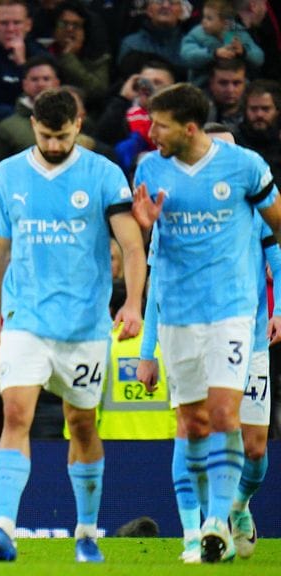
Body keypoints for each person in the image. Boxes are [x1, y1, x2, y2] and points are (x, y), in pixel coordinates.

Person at [0, 88, 146, 563]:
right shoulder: (9, 174)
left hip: (84, 326)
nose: (54, 144)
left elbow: (132, 246)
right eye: (46, 136)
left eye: (63, 135)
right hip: (25, 320)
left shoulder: (103, 174)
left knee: (82, 425)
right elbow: (1, 250)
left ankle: (87, 532)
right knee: (16, 416)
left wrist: (133, 302)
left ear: (79, 124)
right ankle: (4, 528)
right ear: (33, 125)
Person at [131, 83, 281, 563]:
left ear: (189, 128)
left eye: (160, 125)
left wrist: (277, 306)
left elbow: (278, 227)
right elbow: (153, 264)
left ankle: (219, 521)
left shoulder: (246, 169)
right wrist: (146, 226)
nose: (152, 133)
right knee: (193, 424)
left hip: (233, 313)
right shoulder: (150, 169)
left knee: (227, 420)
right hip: (178, 314)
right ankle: (199, 530)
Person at [180, 0, 263, 88]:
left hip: (236, 85)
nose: (203, 21)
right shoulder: (197, 34)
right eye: (204, 17)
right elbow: (186, 55)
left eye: (209, 18)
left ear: (225, 22)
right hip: (203, 86)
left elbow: (259, 57)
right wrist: (214, 53)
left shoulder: (239, 34)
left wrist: (243, 51)